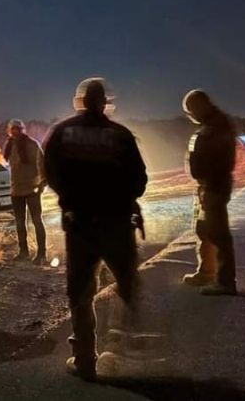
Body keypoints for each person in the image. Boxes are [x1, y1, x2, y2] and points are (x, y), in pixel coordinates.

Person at [43, 78, 147, 381]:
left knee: (81, 291)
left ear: (80, 101)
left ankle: (85, 358)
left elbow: (50, 174)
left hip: (80, 226)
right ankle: (133, 345)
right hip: (117, 222)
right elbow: (139, 179)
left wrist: (72, 198)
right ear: (106, 102)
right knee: (127, 281)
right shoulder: (121, 135)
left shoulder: (61, 133)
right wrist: (122, 198)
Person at [181, 89, 238, 296]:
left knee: (218, 232)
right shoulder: (211, 125)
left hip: (214, 186)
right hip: (208, 186)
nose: (191, 116)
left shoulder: (217, 126)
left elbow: (220, 160)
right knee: (204, 229)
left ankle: (225, 281)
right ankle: (207, 272)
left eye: (191, 110)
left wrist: (210, 183)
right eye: (188, 113)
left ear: (201, 105)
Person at [4, 119, 47, 263]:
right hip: (16, 190)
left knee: (36, 220)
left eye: (17, 129)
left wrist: (42, 184)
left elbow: (42, 164)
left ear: (22, 130)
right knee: (20, 223)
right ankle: (23, 252)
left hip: (31, 189)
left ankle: (41, 254)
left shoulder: (32, 144)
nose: (15, 132)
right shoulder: (9, 145)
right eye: (12, 129)